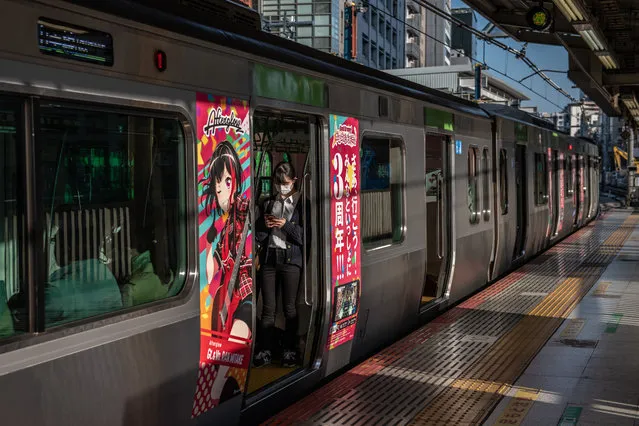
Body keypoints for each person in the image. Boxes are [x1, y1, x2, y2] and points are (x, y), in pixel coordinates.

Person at [200, 141, 252, 406]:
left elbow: (246, 207)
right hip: (228, 298)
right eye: (218, 185)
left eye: (227, 182)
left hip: (245, 291)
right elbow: (211, 275)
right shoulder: (220, 231)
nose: (222, 190)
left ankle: (217, 390)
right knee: (227, 336)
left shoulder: (241, 209)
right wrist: (209, 247)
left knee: (237, 334)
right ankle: (219, 388)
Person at [254, 161, 309, 368]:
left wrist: (286, 226)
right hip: (270, 259)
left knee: (289, 308)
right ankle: (266, 350)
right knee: (267, 308)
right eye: (278, 184)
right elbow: (259, 235)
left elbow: (305, 237)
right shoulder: (269, 203)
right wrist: (265, 226)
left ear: (294, 181)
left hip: (291, 261)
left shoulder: (302, 203)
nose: (281, 187)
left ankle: (289, 350)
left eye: (285, 183)